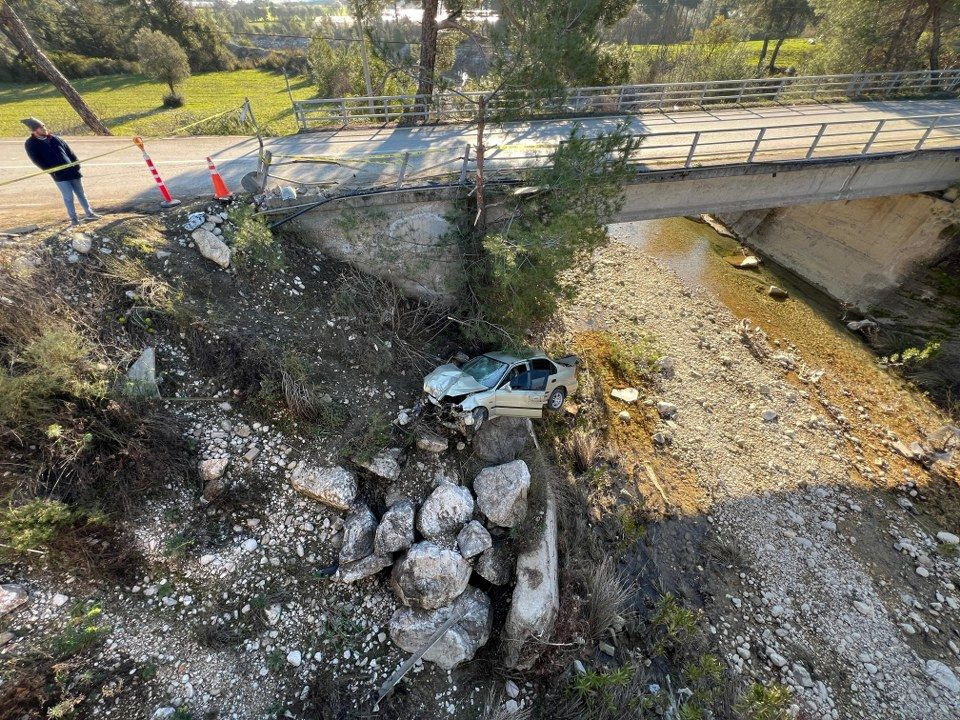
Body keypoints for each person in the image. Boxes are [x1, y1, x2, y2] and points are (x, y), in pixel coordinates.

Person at [22, 117, 101, 226]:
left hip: (73, 172)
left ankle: (89, 214)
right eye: (41, 128)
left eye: (44, 126)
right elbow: (37, 160)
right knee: (68, 197)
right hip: (59, 175)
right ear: (34, 131)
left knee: (81, 194)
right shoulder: (30, 144)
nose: (44, 129)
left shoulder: (55, 138)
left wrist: (76, 165)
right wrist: (52, 172)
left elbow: (70, 152)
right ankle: (74, 219)